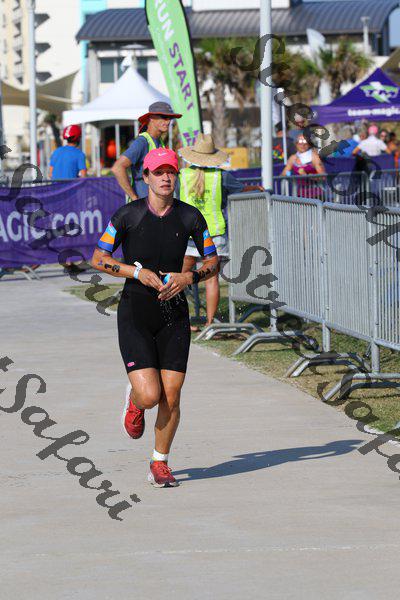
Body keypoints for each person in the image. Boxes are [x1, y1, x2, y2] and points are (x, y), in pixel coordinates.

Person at [91, 148, 219, 488]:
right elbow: (98, 258)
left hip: (173, 313)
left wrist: (189, 277)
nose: (165, 178)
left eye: (171, 172)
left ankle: (159, 462)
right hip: (136, 311)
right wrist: (135, 272)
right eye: (158, 172)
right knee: (150, 395)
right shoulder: (127, 216)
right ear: (145, 177)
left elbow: (213, 262)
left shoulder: (191, 217)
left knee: (171, 396)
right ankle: (135, 401)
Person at [177, 133, 264, 328]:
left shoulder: (182, 176)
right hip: (214, 234)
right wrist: (256, 188)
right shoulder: (222, 176)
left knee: (179, 278)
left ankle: (180, 321)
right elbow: (240, 189)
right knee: (211, 280)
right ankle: (210, 324)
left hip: (186, 234)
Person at [111, 102, 182, 201]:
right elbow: (117, 168)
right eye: (164, 117)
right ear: (151, 118)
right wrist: (134, 198)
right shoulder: (142, 142)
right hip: (143, 205)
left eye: (170, 118)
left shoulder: (160, 142)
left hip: (156, 205)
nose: (168, 121)